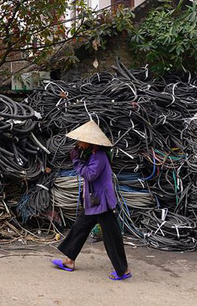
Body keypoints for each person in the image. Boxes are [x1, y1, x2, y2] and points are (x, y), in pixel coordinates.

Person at [51, 119, 131, 281]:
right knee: (79, 229)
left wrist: (76, 161)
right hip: (93, 202)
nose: (79, 143)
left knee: (112, 236)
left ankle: (123, 270)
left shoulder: (99, 156)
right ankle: (69, 261)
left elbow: (90, 175)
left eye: (81, 141)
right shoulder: (91, 154)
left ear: (89, 142)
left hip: (102, 203)